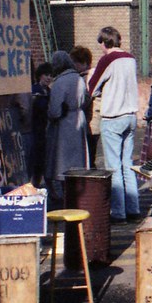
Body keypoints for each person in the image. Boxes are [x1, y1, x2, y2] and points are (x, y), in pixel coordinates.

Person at [86, 26, 140, 223]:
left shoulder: (107, 59)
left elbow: (91, 89)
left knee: (113, 167)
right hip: (131, 115)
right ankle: (133, 208)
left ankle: (118, 212)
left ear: (104, 42)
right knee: (128, 164)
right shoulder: (131, 58)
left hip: (113, 116)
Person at [45, 51, 89, 206]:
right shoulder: (79, 79)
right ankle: (78, 196)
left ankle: (67, 198)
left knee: (64, 163)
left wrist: (53, 116)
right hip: (79, 117)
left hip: (65, 123)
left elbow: (54, 110)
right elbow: (86, 99)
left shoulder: (60, 82)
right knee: (78, 161)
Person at [70, 45, 100, 167]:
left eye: (75, 62)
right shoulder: (93, 74)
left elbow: (86, 98)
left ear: (83, 63)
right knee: (91, 155)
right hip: (95, 121)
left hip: (90, 121)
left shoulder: (87, 77)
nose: (73, 65)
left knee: (89, 156)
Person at [29, 61, 53, 186]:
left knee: (44, 160)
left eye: (51, 75)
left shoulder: (49, 91)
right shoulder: (35, 90)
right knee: (36, 160)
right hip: (36, 129)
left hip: (46, 130)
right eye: (46, 75)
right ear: (40, 76)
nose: (49, 78)